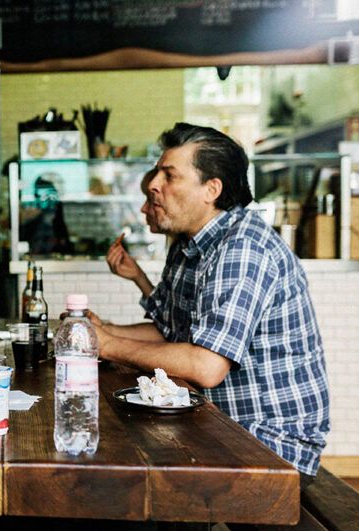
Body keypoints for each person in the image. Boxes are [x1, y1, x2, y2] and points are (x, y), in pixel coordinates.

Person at [91, 123, 330, 480]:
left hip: (268, 444)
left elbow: (206, 366)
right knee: (119, 442)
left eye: (169, 175)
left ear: (211, 190)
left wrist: (108, 344)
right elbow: (171, 332)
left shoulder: (242, 247)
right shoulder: (192, 242)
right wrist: (101, 332)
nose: (154, 185)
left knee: (124, 469)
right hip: (226, 424)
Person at [106, 168, 161, 299]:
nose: (143, 209)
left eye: (151, 200)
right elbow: (166, 317)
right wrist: (138, 276)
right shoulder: (178, 250)